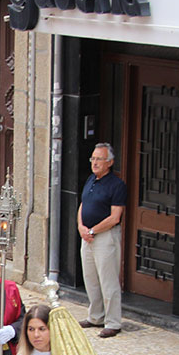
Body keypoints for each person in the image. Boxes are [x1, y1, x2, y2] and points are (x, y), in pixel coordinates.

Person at [77, 143, 127, 338]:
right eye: (93, 159)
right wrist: (81, 227)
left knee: (108, 280)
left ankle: (113, 321)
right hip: (87, 236)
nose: (95, 163)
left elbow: (115, 217)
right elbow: (83, 204)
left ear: (110, 162)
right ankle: (95, 316)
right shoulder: (91, 180)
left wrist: (92, 230)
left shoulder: (116, 185)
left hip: (105, 237)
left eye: (99, 159)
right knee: (91, 278)